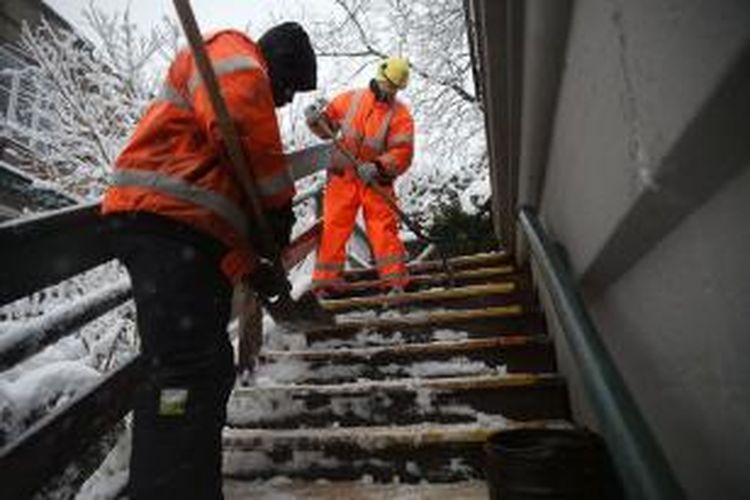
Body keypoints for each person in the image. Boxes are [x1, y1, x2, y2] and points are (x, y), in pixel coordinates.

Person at [101, 23, 316, 499]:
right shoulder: (234, 54)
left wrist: (252, 266)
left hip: (185, 235)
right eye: (286, 89)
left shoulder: (208, 171)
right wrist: (278, 204)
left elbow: (217, 210)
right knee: (184, 371)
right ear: (275, 62)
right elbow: (241, 124)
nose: (282, 102)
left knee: (207, 368)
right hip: (163, 226)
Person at [305, 56, 415, 295]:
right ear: (380, 77)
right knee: (334, 226)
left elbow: (403, 153)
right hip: (342, 176)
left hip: (375, 180)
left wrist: (378, 166)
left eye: (395, 88)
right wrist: (315, 120)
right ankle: (326, 281)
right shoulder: (351, 100)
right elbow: (327, 127)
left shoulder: (400, 115)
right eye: (389, 85)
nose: (390, 91)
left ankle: (395, 280)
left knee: (382, 228)